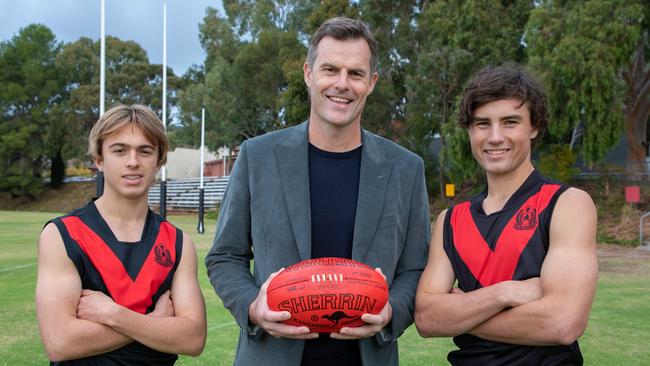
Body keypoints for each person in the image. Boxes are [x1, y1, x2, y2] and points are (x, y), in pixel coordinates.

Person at [205, 16, 430, 366]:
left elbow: (415, 268)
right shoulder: (258, 156)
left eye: (355, 74)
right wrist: (253, 307)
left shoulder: (406, 168)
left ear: (371, 83)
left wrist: (391, 312)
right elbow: (225, 256)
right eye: (330, 70)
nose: (342, 84)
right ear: (309, 74)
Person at [414, 63, 598, 365]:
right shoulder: (450, 220)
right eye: (482, 123)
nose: (495, 137)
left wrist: (461, 315)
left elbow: (563, 322)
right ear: (470, 130)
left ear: (534, 126)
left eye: (510, 122)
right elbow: (426, 318)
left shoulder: (566, 204)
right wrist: (505, 294)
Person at [36, 104, 207, 365]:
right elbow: (61, 342)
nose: (133, 161)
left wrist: (114, 315)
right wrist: (154, 324)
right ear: (99, 159)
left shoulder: (178, 243)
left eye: (145, 151)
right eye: (119, 150)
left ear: (159, 160)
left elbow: (193, 339)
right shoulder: (63, 235)